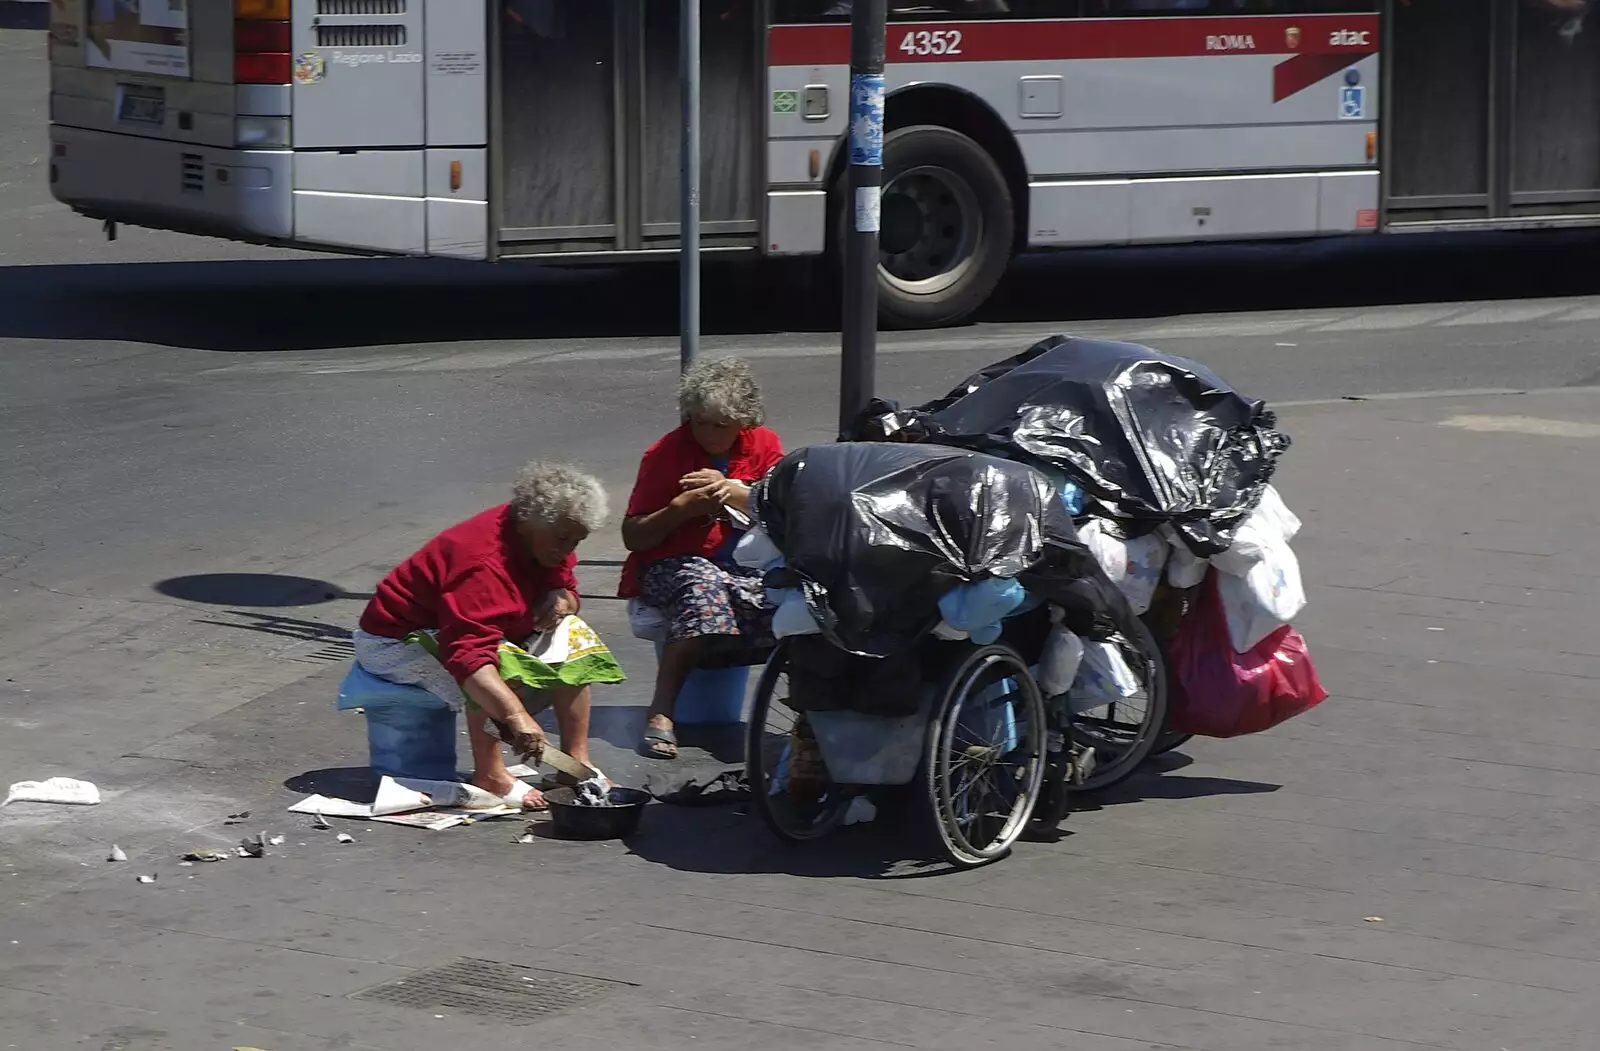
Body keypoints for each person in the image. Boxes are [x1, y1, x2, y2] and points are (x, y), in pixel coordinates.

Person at [353, 462, 609, 809]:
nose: (568, 549)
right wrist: (517, 717)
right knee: (501, 665)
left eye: (577, 540)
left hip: (475, 629)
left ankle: (575, 761)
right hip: (394, 642)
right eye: (562, 539)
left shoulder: (544, 537)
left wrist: (564, 599)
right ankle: (490, 774)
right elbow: (469, 655)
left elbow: (566, 586)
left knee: (575, 636)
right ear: (530, 523)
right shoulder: (484, 562)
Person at [620, 358, 785, 759]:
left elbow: (785, 507)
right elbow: (634, 536)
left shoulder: (764, 445)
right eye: (700, 422)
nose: (708, 434)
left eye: (720, 425)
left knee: (797, 596)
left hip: (745, 566)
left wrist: (733, 490)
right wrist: (678, 510)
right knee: (701, 588)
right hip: (674, 565)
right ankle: (661, 713)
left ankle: (810, 720)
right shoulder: (666, 453)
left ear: (743, 422)